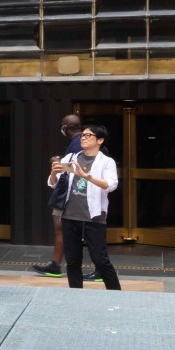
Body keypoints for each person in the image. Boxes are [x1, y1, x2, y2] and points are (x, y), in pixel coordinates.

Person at [50, 124, 122, 291]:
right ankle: (76, 293)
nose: (83, 138)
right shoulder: (71, 157)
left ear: (100, 140)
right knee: (73, 260)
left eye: (89, 135)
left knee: (100, 259)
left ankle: (117, 293)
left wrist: (86, 176)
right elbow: (54, 184)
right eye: (83, 135)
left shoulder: (106, 162)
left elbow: (111, 185)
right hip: (69, 215)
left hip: (94, 216)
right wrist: (54, 173)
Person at [33, 114, 85, 277]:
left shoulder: (77, 144)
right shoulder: (78, 143)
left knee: (62, 229)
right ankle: (56, 264)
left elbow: (78, 168)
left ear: (65, 127)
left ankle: (58, 265)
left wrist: (58, 162)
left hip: (69, 194)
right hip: (70, 193)